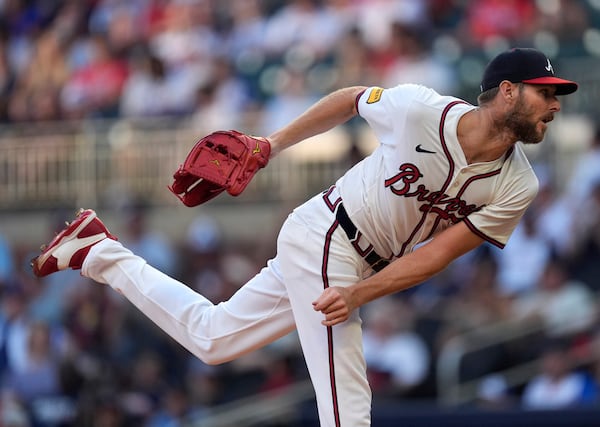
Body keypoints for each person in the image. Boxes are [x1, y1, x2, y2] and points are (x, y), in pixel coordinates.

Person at [31, 47, 578, 427]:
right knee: (348, 403)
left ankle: (97, 250)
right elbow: (350, 98)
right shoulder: (419, 110)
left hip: (360, 265)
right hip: (328, 232)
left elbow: (439, 254)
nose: (555, 105)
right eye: (545, 93)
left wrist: (361, 293)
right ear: (507, 92)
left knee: (214, 339)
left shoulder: (518, 182)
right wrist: (270, 144)